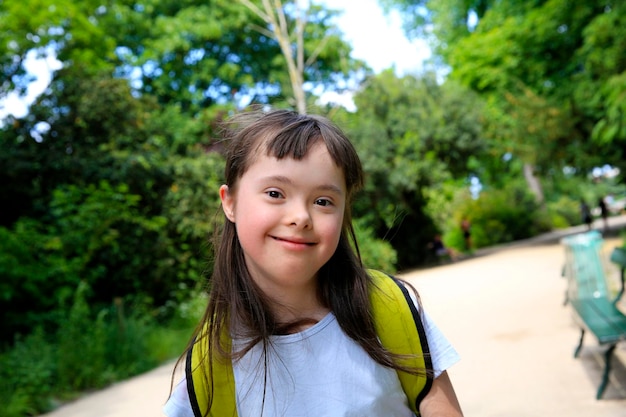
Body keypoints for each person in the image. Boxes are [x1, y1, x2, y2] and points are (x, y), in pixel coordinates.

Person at [164, 110, 463, 417]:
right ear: (230, 202)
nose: (301, 217)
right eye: (275, 193)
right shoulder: (209, 368)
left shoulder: (387, 309)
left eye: (323, 201)